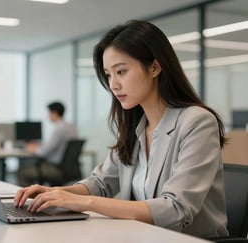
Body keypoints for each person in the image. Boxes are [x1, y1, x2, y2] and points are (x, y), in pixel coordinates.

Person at [14, 20, 229, 239]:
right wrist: (54, 193)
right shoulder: (136, 126)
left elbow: (175, 209)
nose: (113, 84)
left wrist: (85, 202)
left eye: (121, 71)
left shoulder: (197, 122)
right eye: (108, 74)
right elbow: (100, 183)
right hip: (144, 237)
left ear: (155, 67)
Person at [16, 101, 78, 187]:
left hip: (57, 168)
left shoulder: (59, 129)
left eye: (49, 113)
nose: (48, 115)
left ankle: (30, 199)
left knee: (22, 173)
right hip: (70, 169)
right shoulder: (71, 127)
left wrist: (32, 148)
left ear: (54, 113)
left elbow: (43, 152)